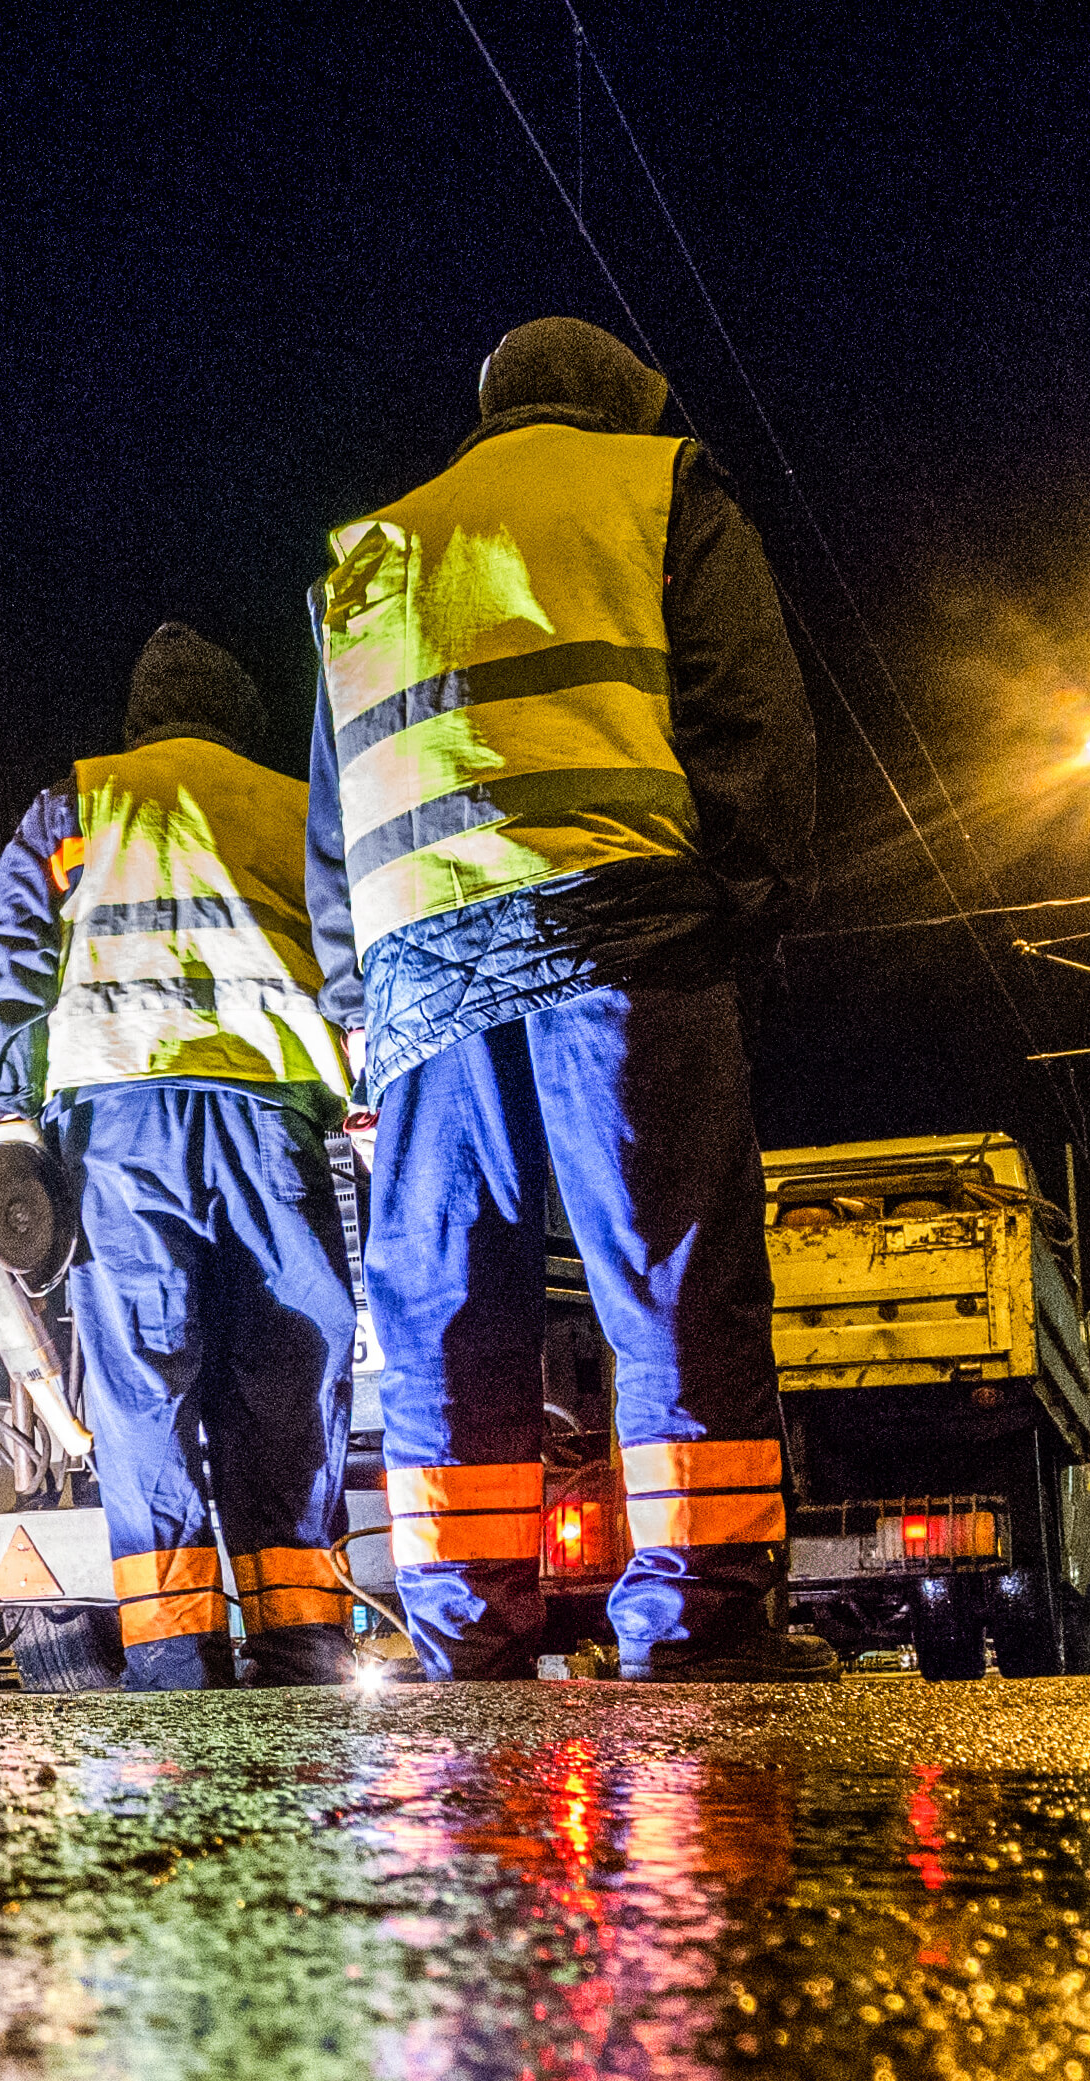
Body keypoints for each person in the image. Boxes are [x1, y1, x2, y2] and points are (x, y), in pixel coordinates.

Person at [304, 315, 829, 1682]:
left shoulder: (372, 555)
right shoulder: (658, 486)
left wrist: (358, 998)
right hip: (625, 931)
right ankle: (698, 1619)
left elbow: (334, 813)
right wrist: (748, 902)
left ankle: (468, 1630)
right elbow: (750, 716)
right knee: (666, 1274)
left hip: (422, 982)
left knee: (444, 1307)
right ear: (618, 398)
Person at [0, 624, 363, 1690]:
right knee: (288, 1383)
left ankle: (175, 1662)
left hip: (122, 1139)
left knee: (144, 1398)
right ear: (239, 715)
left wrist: (5, 1131)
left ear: (142, 717)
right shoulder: (291, 805)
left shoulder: (77, 804)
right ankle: (301, 1649)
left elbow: (0, 968)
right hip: (271, 1126)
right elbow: (359, 957)